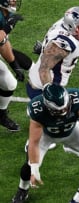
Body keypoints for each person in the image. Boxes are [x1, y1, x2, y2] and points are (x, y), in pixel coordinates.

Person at [11, 83, 79, 203]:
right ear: (47, 106)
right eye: (59, 110)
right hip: (46, 137)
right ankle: (22, 189)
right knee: (29, 167)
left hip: (73, 132)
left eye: (66, 107)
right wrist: (34, 168)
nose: (64, 111)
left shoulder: (76, 97)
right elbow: (34, 142)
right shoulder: (37, 109)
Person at [25, 6, 79, 151]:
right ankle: (35, 145)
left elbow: (50, 50)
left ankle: (69, 140)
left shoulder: (62, 26)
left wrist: (44, 50)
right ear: (71, 26)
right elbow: (44, 68)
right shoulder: (65, 42)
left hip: (40, 83)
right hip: (43, 87)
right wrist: (49, 94)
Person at [0, 0, 32, 131]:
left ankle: (1, 116)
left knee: (9, 83)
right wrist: (8, 27)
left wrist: (14, 65)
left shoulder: (4, 15)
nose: (14, 1)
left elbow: (3, 42)